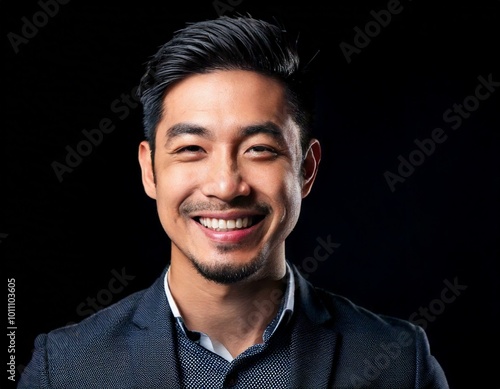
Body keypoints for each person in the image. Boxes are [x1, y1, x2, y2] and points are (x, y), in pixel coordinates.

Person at [18, 15, 449, 389]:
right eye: (191, 149)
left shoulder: (398, 362)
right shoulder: (67, 367)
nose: (226, 186)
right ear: (149, 171)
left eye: (259, 149)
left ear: (306, 169)